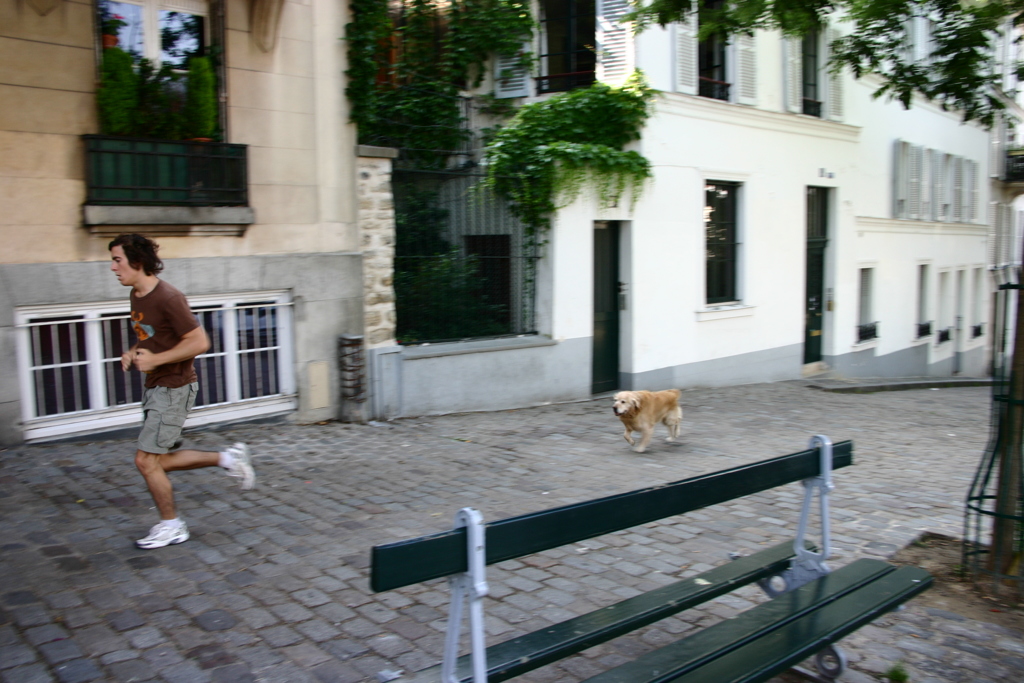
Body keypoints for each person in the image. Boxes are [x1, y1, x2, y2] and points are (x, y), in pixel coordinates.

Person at [109, 233, 255, 549]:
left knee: (145, 462)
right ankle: (227, 458)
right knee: (159, 461)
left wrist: (157, 359)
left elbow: (199, 342)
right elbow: (153, 336)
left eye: (117, 259)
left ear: (137, 262)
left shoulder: (168, 298)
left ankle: (172, 525)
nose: (112, 267)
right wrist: (135, 351)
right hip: (156, 386)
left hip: (173, 387)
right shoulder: (137, 294)